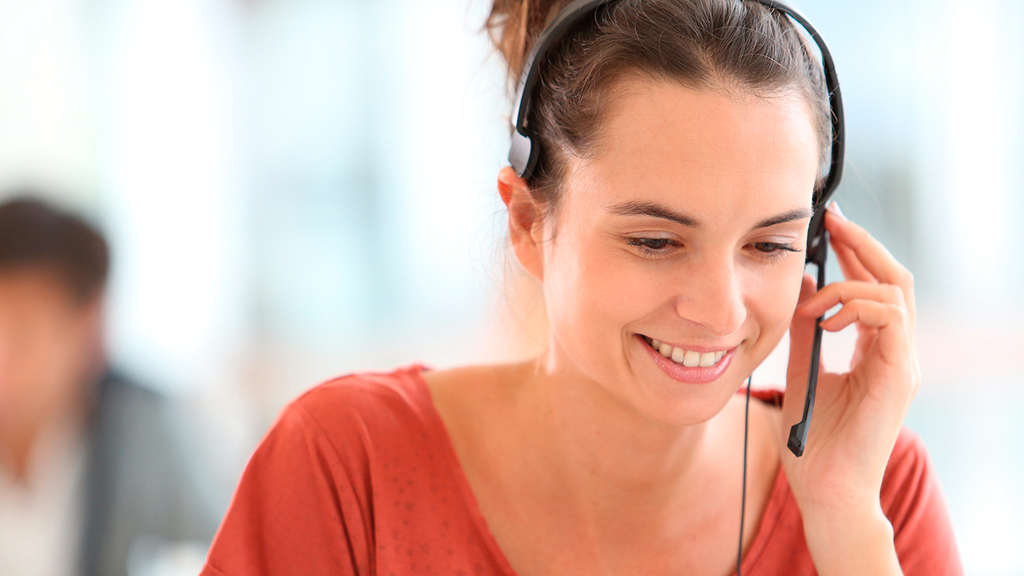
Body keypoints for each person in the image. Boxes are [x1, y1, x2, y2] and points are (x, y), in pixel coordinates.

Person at [201, 1, 962, 574]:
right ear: (530, 223)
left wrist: (841, 522)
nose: (722, 308)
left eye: (769, 244)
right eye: (656, 241)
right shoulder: (350, 465)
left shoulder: (873, 491)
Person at [0, 196, 220, 576]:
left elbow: (219, 552)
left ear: (86, 328)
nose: (3, 362)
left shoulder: (146, 432)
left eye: (24, 336)